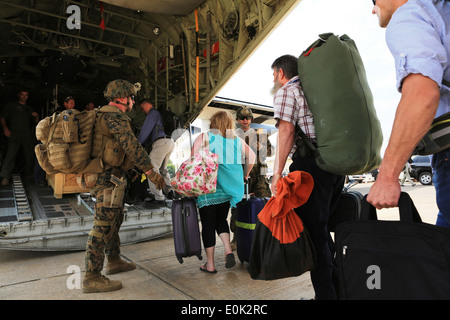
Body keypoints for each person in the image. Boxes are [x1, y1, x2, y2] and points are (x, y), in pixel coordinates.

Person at [367, 0, 449, 228]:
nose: (372, 9)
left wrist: (387, 176)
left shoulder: (411, 14)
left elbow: (421, 95)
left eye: (372, 1)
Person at [270, 55, 344, 299]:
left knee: (315, 235)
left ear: (281, 73)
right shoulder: (314, 90)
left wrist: (277, 173)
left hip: (311, 167)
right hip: (333, 164)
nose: (274, 79)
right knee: (322, 232)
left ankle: (326, 296)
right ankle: (337, 289)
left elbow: (287, 130)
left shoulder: (287, 91)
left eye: (273, 75)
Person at [82, 79, 164, 293]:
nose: (133, 101)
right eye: (131, 97)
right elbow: (132, 146)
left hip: (113, 176)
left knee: (115, 218)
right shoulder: (113, 116)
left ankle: (115, 260)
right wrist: (151, 173)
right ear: (122, 98)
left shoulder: (104, 115)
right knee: (103, 224)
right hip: (107, 178)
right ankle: (91, 277)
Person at [191, 110, 255, 274]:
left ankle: (210, 264)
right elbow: (252, 157)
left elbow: (193, 159)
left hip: (208, 188)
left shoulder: (205, 137)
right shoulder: (236, 140)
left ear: (213, 123)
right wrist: (245, 175)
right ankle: (227, 251)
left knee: (207, 225)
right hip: (228, 189)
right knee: (221, 220)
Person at [137, 98, 176, 206]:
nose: (142, 111)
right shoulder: (160, 114)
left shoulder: (152, 113)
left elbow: (145, 130)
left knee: (151, 168)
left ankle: (159, 198)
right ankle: (170, 191)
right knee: (163, 168)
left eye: (142, 108)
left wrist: (138, 143)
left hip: (161, 142)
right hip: (170, 142)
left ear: (146, 105)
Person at [0, 89, 39, 185]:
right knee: (11, 154)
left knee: (29, 154)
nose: (24, 97)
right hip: (14, 133)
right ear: (19, 95)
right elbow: (2, 117)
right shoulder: (11, 106)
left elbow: (36, 121)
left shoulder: (29, 108)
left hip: (26, 134)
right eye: (22, 95)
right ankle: (5, 176)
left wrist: (36, 116)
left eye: (26, 95)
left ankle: (29, 176)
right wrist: (5, 129)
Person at [235, 106, 272, 198]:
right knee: (239, 204)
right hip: (240, 174)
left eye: (247, 118)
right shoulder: (233, 136)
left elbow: (271, 152)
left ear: (251, 119)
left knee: (263, 201)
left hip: (259, 174)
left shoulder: (261, 135)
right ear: (237, 120)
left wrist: (262, 148)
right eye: (242, 118)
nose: (245, 120)